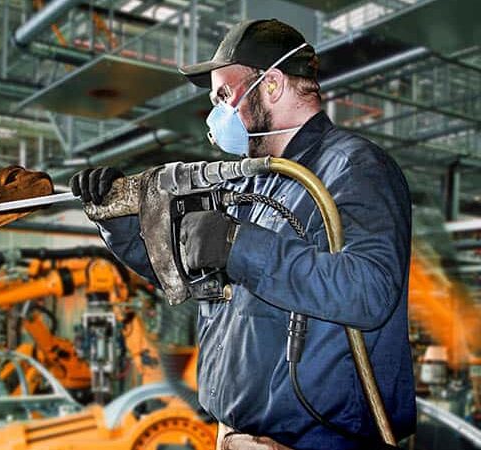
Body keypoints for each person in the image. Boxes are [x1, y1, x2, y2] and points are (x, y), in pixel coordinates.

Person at [71, 18, 416, 450]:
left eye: (223, 95)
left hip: (318, 441)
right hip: (233, 438)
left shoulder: (354, 169)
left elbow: (368, 290)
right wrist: (118, 221)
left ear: (270, 86)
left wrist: (238, 244)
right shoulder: (243, 184)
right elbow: (179, 268)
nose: (216, 112)